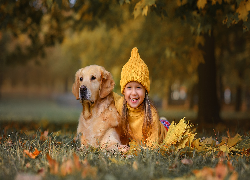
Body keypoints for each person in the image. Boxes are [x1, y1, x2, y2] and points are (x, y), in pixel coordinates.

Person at [114, 47, 169, 148]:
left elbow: (153, 147)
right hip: (137, 141)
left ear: (145, 90)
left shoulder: (151, 114)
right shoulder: (119, 104)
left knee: (170, 133)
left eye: (138, 87)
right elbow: (106, 95)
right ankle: (163, 121)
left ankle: (164, 123)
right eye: (129, 87)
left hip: (160, 135)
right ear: (123, 90)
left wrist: (135, 150)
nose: (134, 93)